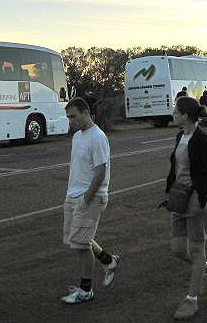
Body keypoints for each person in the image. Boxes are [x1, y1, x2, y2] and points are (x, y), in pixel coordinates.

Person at [165, 96, 207, 320]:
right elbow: (176, 168)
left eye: (176, 111)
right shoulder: (180, 136)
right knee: (178, 249)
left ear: (186, 116)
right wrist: (170, 190)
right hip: (180, 197)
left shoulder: (201, 139)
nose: (173, 114)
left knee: (197, 251)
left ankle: (192, 300)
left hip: (197, 201)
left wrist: (198, 197)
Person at [61, 97, 120, 304]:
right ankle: (108, 260)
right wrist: (71, 195)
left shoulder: (97, 137)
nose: (71, 121)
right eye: (68, 117)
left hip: (90, 197)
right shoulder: (77, 137)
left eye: (73, 116)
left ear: (86, 112)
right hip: (73, 196)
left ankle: (86, 290)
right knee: (76, 238)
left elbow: (100, 172)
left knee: (80, 244)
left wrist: (87, 198)